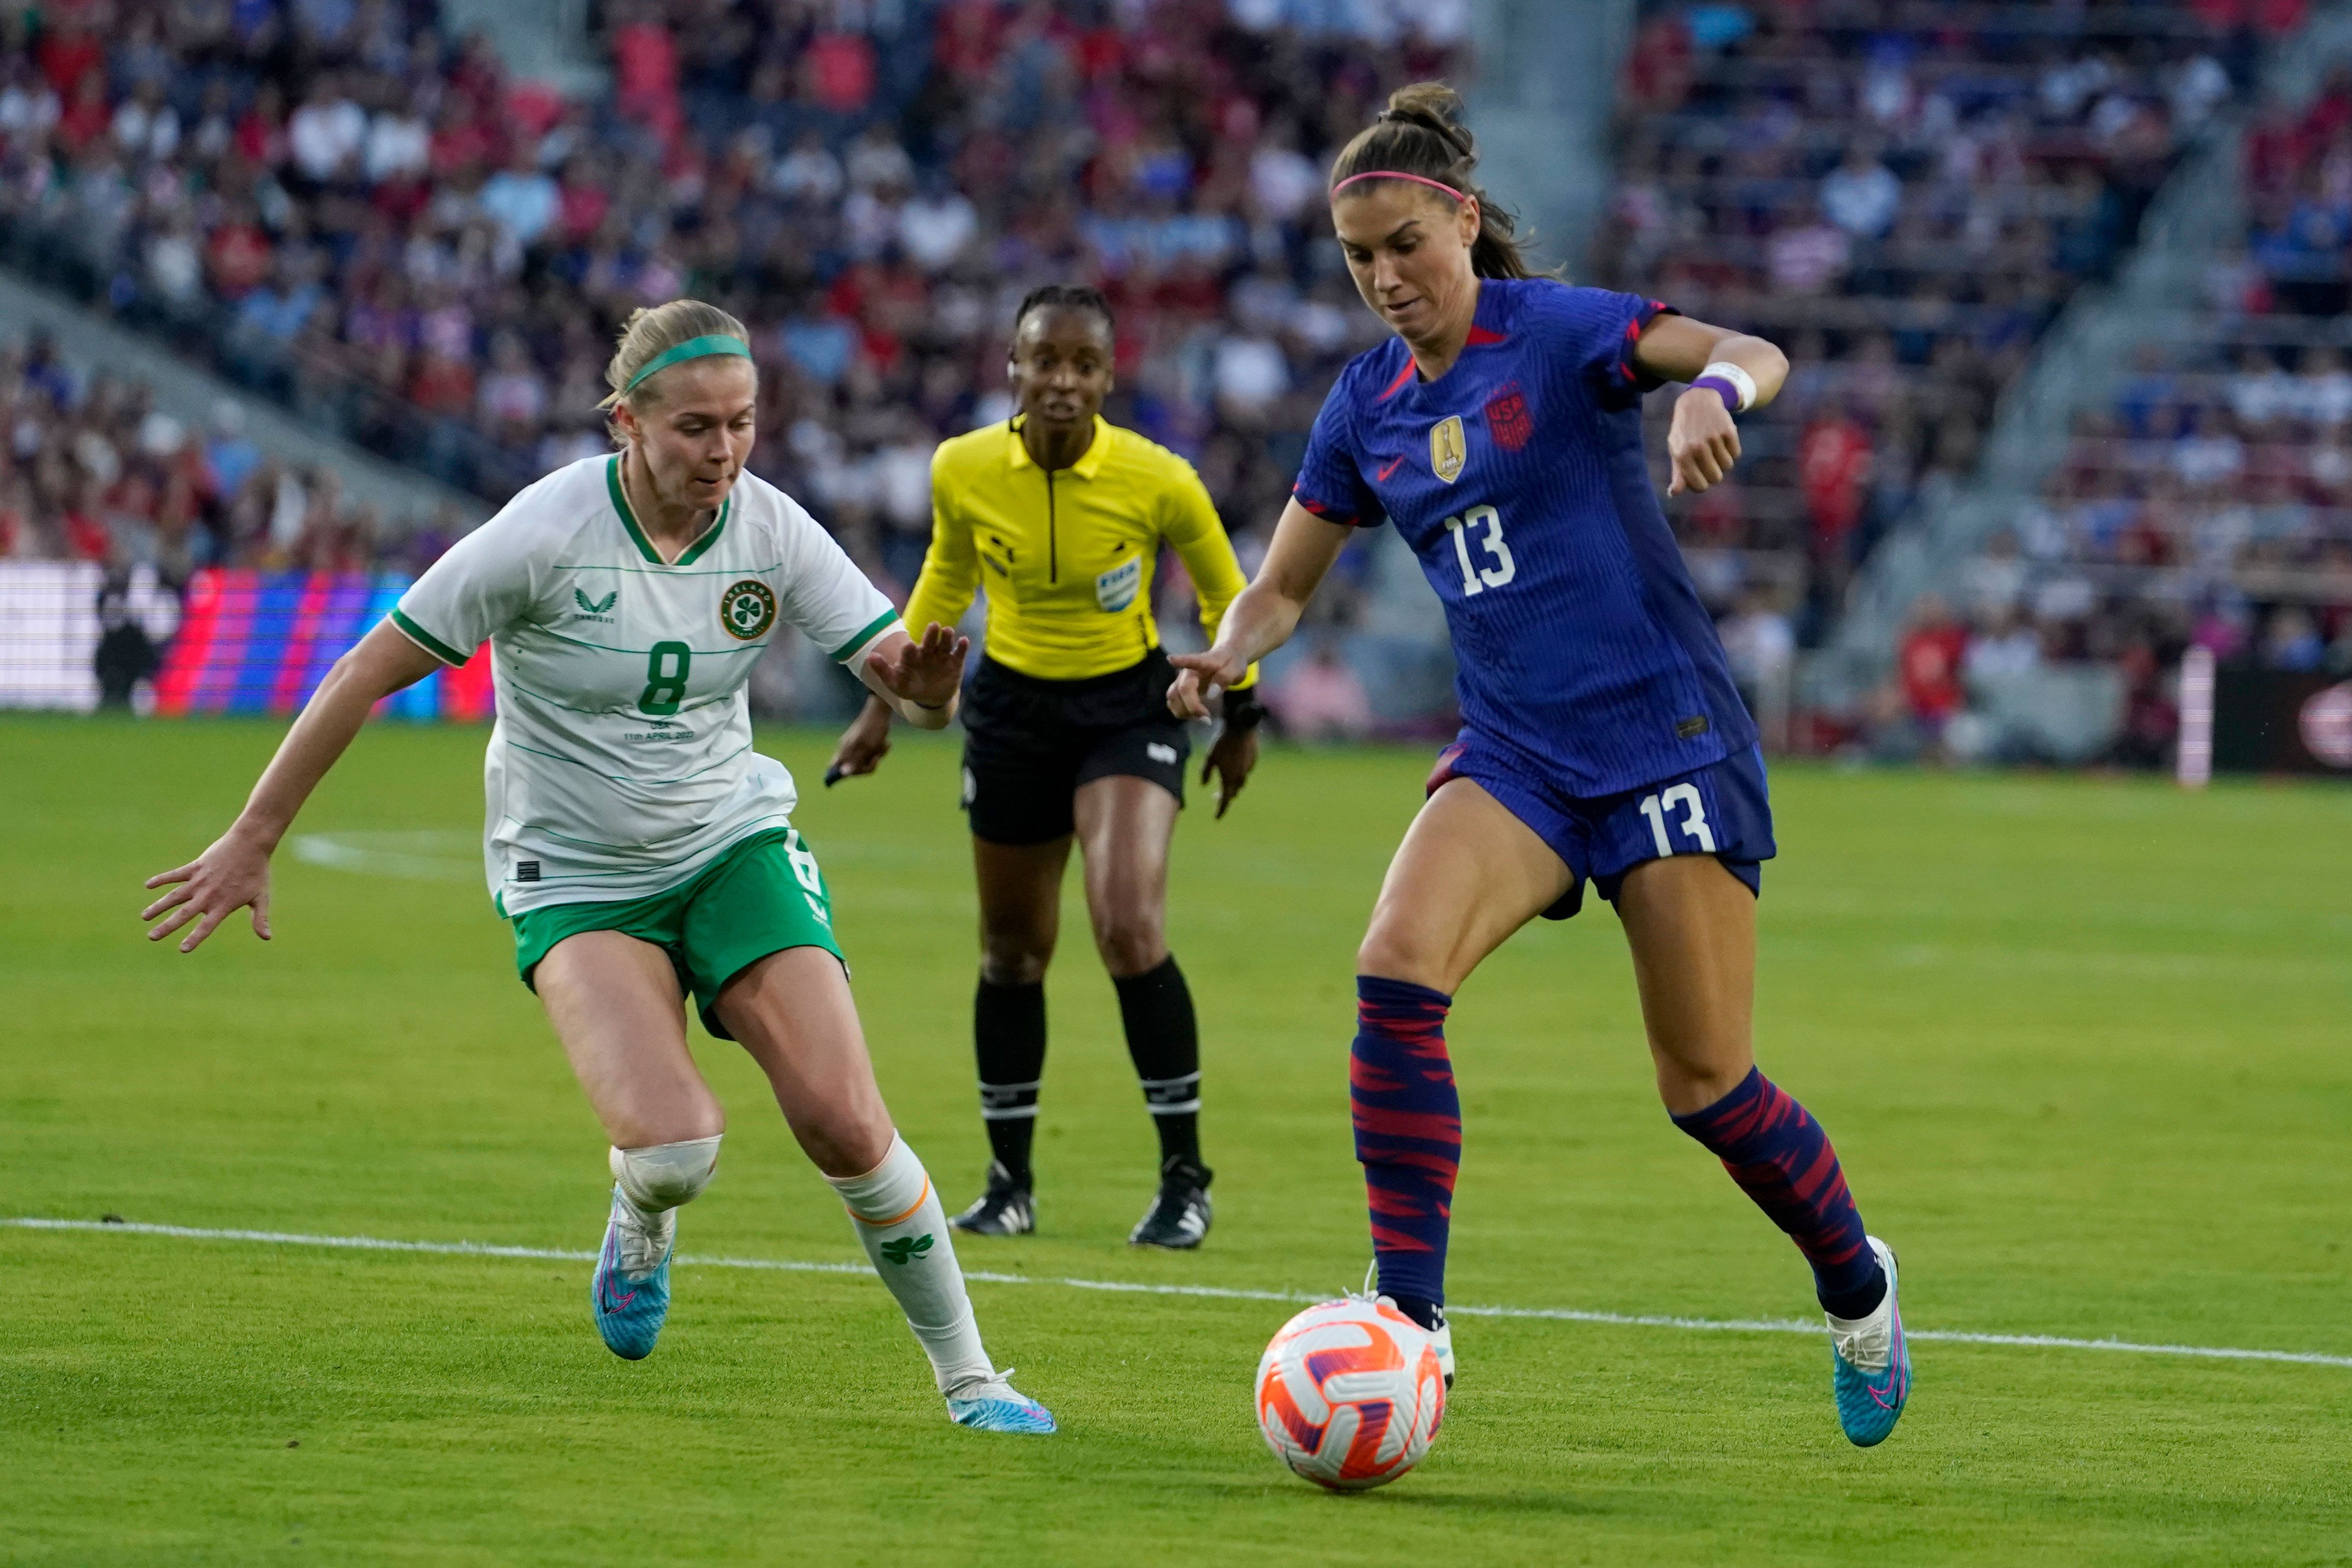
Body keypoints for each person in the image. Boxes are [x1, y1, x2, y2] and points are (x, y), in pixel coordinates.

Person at [139, 300, 1055, 1435]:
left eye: (743, 423)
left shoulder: (773, 530)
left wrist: (924, 693)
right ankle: (641, 1211)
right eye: (694, 428)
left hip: (730, 844)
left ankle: (974, 1378)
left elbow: (907, 685)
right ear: (628, 420)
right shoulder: (544, 531)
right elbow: (365, 671)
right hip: (572, 871)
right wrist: (254, 833)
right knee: (675, 1148)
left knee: (845, 1119)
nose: (723, 452)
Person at [1169, 85, 1910, 1447]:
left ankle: (1858, 1285)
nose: (1385, 279)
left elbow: (1749, 348)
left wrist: (1705, 393)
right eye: (1358, 260)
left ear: (1458, 221)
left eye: (1404, 244)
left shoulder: (1558, 334)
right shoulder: (1363, 404)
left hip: (1660, 737)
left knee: (1706, 1087)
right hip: (1514, 752)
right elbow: (1280, 585)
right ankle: (1411, 1325)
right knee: (1393, 972)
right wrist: (1225, 656)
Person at [827, 284, 1262, 1250]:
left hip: (1125, 709)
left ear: (1109, 377)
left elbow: (1232, 594)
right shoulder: (964, 468)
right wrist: (881, 710)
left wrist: (1243, 714)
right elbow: (944, 583)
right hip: (1011, 712)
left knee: (1126, 925)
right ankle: (1009, 1185)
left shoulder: (1160, 479)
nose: (1062, 380)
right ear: (1013, 369)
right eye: (1044, 360)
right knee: (1012, 952)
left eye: (1083, 364)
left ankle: (1185, 1181)